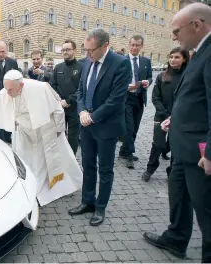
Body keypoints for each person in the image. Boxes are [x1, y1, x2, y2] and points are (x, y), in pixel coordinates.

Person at [143, 3, 211, 262]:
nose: (173, 37)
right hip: (183, 148)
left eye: (176, 30)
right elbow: (196, 99)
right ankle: (176, 238)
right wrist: (175, 118)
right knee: (179, 195)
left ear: (197, 24)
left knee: (206, 212)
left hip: (200, 152)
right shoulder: (199, 51)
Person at [0, 70, 83, 207]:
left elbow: (58, 110)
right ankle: (30, 188)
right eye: (6, 88)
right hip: (23, 131)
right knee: (25, 160)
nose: (8, 93)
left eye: (11, 89)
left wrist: (59, 129)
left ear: (21, 85)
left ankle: (55, 187)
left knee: (47, 160)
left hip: (44, 129)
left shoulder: (40, 88)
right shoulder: (5, 92)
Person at [68, 29, 132, 226]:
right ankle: (88, 201)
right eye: (85, 50)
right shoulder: (87, 60)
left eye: (91, 50)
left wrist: (92, 117)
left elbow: (116, 99)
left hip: (106, 126)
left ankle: (100, 207)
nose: (87, 54)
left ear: (105, 46)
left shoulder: (120, 63)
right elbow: (80, 91)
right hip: (86, 124)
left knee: (105, 169)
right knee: (88, 165)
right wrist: (81, 112)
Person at [141, 47, 189, 182]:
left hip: (180, 118)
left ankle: (172, 172)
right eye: (171, 57)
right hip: (161, 117)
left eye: (177, 57)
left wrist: (175, 116)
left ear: (184, 59)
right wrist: (166, 115)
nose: (173, 60)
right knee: (158, 144)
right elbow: (155, 98)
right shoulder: (162, 76)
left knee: (175, 146)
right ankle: (150, 168)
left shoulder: (188, 76)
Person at [119, 35, 153, 169]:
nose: (134, 47)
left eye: (137, 45)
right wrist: (125, 86)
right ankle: (129, 154)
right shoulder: (122, 60)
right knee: (129, 127)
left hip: (139, 98)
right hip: (126, 99)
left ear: (141, 46)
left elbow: (150, 76)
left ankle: (123, 150)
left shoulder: (145, 61)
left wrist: (147, 82)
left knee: (135, 128)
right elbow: (115, 79)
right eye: (132, 45)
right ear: (129, 45)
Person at [51, 39, 83, 155]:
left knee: (73, 138)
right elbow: (52, 86)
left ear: (74, 51)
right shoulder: (58, 68)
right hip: (59, 107)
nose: (65, 52)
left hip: (74, 108)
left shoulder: (81, 67)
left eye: (68, 49)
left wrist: (69, 100)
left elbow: (81, 89)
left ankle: (72, 159)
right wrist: (59, 100)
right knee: (59, 135)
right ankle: (61, 158)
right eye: (63, 50)